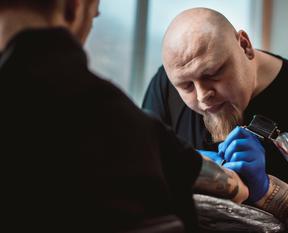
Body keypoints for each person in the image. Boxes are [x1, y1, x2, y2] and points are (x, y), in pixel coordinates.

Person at [0, 1, 250, 232]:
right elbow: (236, 189)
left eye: (214, 72)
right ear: (74, 8)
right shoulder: (122, 122)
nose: (203, 95)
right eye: (94, 17)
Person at [143, 7, 288, 233]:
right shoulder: (165, 87)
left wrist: (266, 190)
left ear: (244, 45)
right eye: (186, 86)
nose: (203, 96)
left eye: (212, 73)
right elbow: (141, 184)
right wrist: (186, 168)